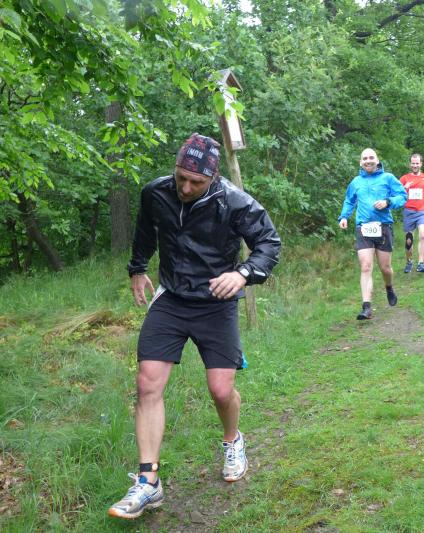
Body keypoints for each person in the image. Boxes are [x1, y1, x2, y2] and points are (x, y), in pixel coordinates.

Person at [108, 133, 281, 520]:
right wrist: (137, 268)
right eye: (181, 178)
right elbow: (144, 230)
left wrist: (243, 273)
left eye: (196, 182)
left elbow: (269, 243)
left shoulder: (235, 202)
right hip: (171, 297)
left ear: (213, 178)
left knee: (221, 390)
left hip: (216, 302)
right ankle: (148, 482)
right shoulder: (156, 192)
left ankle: (232, 439)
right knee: (147, 383)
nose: (185, 188)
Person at [338, 148, 407, 320]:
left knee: (385, 268)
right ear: (360, 162)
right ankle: (366, 307)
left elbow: (402, 196)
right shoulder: (356, 182)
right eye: (364, 158)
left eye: (371, 158)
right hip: (363, 228)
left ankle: (389, 287)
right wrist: (344, 217)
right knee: (366, 266)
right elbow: (349, 201)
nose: (368, 161)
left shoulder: (388, 178)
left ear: (377, 160)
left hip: (383, 227)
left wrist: (387, 202)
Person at [400, 154, 424, 273]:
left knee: (423, 235)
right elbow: (396, 193)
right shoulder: (404, 178)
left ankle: (421, 263)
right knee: (409, 240)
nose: (415, 165)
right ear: (410, 164)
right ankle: (409, 261)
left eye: (417, 163)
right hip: (409, 212)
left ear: (421, 164)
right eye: (413, 163)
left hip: (422, 211)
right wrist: (404, 187)